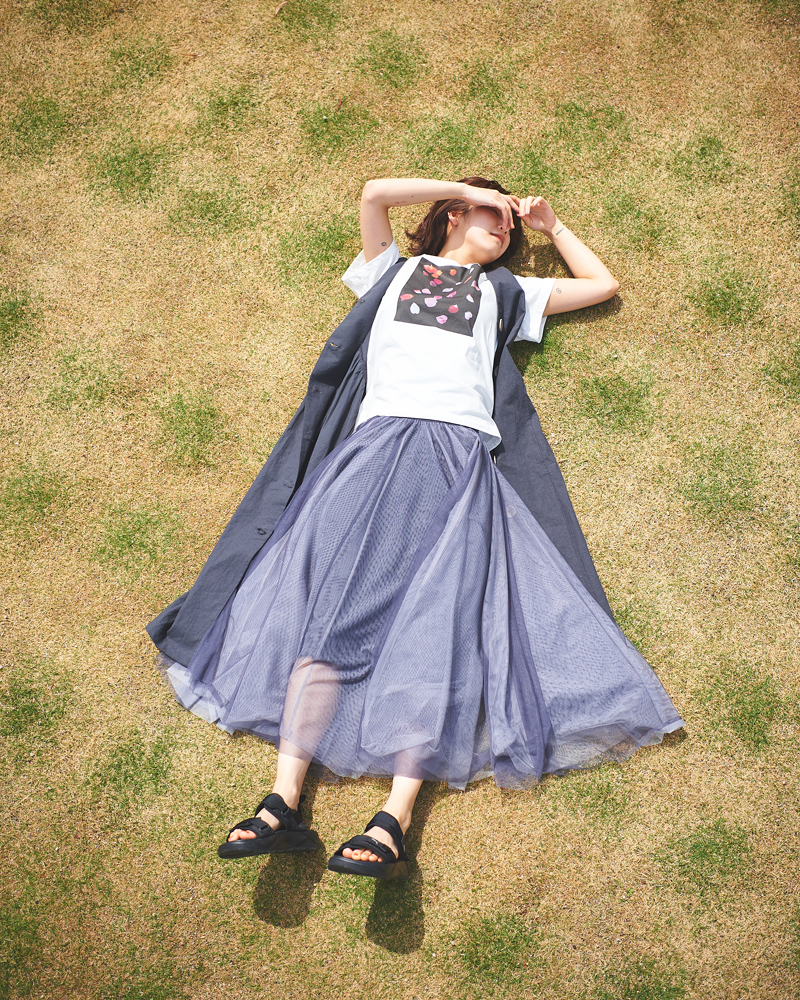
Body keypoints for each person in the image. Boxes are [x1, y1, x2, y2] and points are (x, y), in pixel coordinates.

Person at [148, 177, 684, 881]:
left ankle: (393, 821)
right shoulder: (391, 273)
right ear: (455, 212)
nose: (506, 228)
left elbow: (602, 285)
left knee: (437, 632)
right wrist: (468, 186)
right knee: (327, 617)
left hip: (458, 463)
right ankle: (282, 802)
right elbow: (375, 194)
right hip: (372, 456)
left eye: (509, 224)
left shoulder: (506, 292)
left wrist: (550, 227)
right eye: (494, 214)